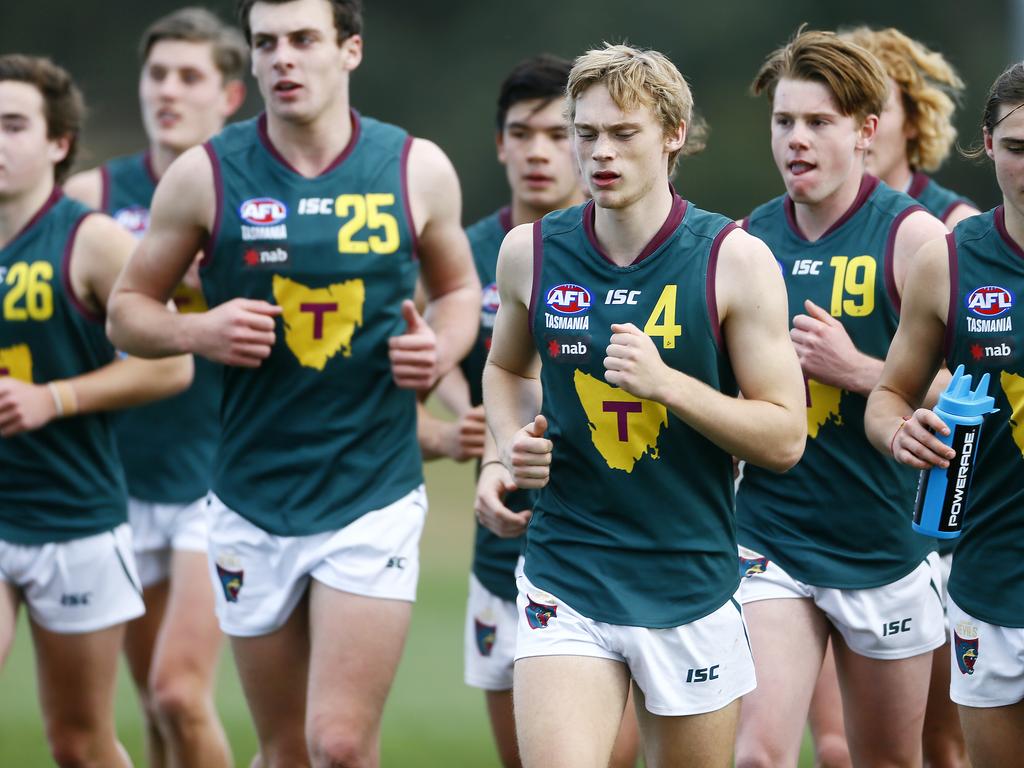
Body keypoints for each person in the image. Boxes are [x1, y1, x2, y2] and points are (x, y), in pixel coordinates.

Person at [104, 0, 480, 765]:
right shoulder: (206, 175)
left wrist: (437, 349)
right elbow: (126, 313)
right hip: (250, 496)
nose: (283, 58)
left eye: (304, 40)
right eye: (266, 42)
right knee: (283, 750)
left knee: (339, 743)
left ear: (350, 50)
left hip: (370, 492)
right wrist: (195, 330)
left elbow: (461, 292)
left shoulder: (415, 167)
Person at [483, 43, 806, 768]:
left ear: (673, 134)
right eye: (585, 132)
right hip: (568, 571)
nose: (600, 153)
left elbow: (786, 437)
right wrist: (509, 443)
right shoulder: (529, 252)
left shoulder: (733, 258)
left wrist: (669, 384)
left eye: (623, 134)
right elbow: (505, 368)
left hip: (690, 580)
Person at [732, 28, 950, 768]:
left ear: (865, 131)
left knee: (886, 759)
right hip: (770, 537)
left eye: (818, 122)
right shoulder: (746, 244)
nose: (797, 139)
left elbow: (971, 394)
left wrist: (859, 368)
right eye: (784, 122)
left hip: (884, 545)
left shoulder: (913, 239)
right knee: (758, 754)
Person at [418, 53, 639, 768]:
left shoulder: (627, 249)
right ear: (499, 144)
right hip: (501, 552)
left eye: (556, 133)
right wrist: (467, 428)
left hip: (617, 549)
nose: (539, 152)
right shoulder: (471, 255)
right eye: (522, 133)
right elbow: (425, 369)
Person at [64, 9, 247, 766]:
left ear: (229, 96)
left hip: (220, 474)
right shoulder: (87, 194)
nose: (167, 90)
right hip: (116, 477)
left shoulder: (249, 190)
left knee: (179, 689)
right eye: (157, 74)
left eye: (190, 76)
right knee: (154, 708)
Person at [0, 54, 193, 767]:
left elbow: (171, 361)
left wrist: (54, 398)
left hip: (73, 519)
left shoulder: (92, 240)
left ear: (58, 143)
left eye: (13, 125)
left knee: (79, 744)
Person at [799, 25, 980, 768]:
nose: (829, 120)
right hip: (821, 520)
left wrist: (857, 368)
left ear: (899, 116)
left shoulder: (959, 230)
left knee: (942, 745)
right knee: (836, 746)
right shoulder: (790, 223)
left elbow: (983, 394)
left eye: (856, 100)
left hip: (939, 525)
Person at [865, 61, 1024, 768]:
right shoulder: (949, 261)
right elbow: (888, 395)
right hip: (992, 576)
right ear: (987, 144)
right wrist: (902, 430)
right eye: (1018, 147)